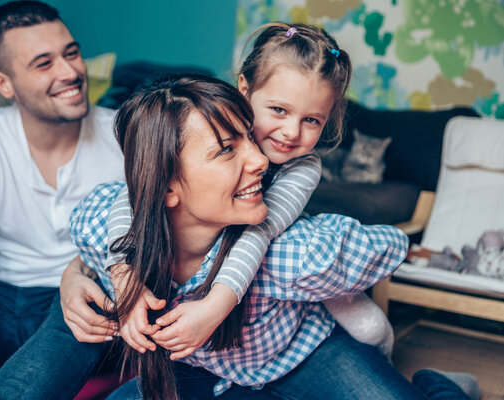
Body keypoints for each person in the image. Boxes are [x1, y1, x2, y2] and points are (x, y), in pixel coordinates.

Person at [70, 74, 476, 400]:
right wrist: (87, 277)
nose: (263, 160)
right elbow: (110, 209)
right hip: (211, 373)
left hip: (309, 354)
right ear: (166, 187)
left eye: (250, 136)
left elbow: (391, 245)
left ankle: (441, 385)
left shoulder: (294, 252)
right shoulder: (110, 223)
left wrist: (333, 254)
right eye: (227, 149)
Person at [69, 22, 394, 360]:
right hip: (220, 252)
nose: (291, 133)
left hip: (279, 234)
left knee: (368, 328)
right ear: (244, 88)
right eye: (279, 110)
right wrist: (122, 276)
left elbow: (260, 231)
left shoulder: (303, 166)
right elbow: (136, 195)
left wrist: (216, 304)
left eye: (312, 120)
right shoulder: (217, 127)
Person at [0, 1, 123, 399]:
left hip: (78, 308)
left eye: (71, 53)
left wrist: (76, 276)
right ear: (3, 84)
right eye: (43, 63)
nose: (70, 72)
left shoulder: (124, 135)